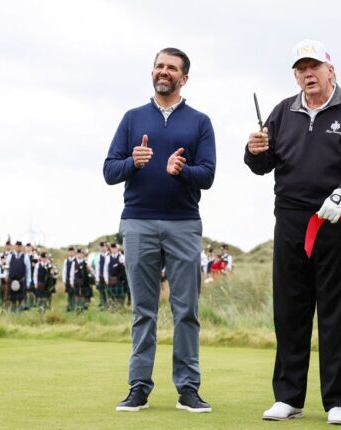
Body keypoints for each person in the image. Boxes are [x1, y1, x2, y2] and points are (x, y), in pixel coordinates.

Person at [245, 39, 341, 425]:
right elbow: (263, 164)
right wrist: (254, 150)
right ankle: (288, 397)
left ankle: (337, 401)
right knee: (290, 308)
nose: (308, 74)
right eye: (301, 69)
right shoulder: (282, 111)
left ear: (330, 70)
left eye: (314, 67)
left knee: (336, 308)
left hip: (337, 218)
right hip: (290, 218)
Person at [104, 47, 216, 413]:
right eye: (159, 66)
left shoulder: (199, 122)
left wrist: (181, 171)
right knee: (144, 311)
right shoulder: (132, 118)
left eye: (171, 68)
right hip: (138, 221)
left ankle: (188, 388)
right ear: (153, 72)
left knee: (186, 311)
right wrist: (132, 163)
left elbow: (207, 175)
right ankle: (138, 387)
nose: (163, 71)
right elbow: (109, 171)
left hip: (184, 224)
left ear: (184, 78)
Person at [62, 247, 77, 312]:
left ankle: (73, 306)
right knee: (69, 293)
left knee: (74, 293)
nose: (71, 253)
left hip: (74, 280)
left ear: (74, 252)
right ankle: (69, 306)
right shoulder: (66, 260)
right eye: (69, 251)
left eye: (72, 251)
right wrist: (64, 279)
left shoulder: (76, 260)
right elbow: (64, 270)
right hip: (67, 279)